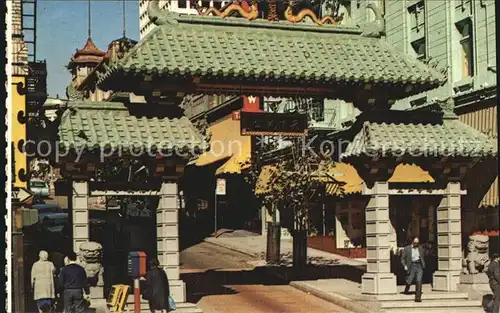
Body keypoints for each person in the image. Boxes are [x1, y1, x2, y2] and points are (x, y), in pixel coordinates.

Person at [401, 237, 426, 302]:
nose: (416, 244)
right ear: (412, 242)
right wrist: (405, 265)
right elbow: (402, 258)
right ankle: (407, 288)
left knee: (419, 280)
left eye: (417, 243)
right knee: (409, 280)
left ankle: (418, 297)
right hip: (411, 265)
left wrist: (423, 264)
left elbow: (423, 256)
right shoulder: (406, 249)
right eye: (415, 243)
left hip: (419, 265)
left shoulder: (421, 248)